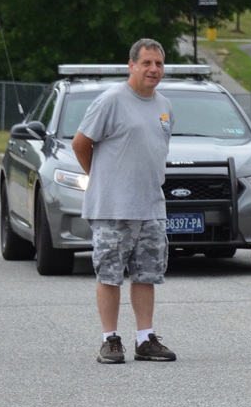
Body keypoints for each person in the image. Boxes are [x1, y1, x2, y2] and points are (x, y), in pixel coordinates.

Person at [73, 38, 177, 364]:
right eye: (146, 63)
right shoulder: (111, 101)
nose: (153, 69)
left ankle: (145, 339)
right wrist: (102, 179)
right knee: (110, 274)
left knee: (147, 274)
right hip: (113, 208)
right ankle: (110, 339)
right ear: (131, 65)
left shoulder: (164, 105)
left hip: (151, 206)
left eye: (158, 63)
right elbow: (80, 143)